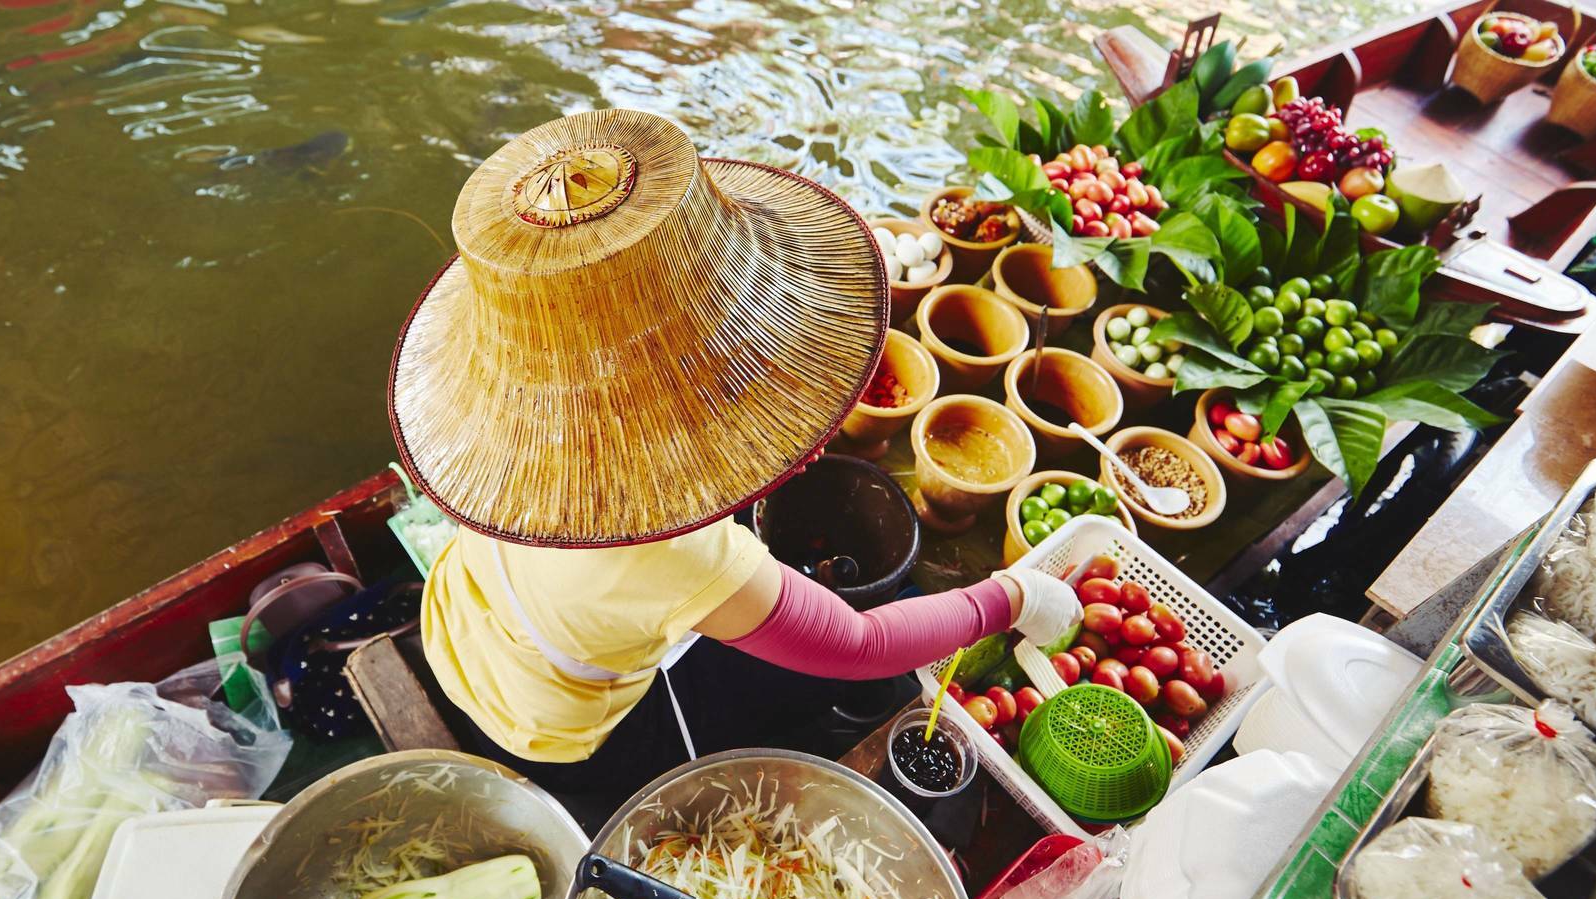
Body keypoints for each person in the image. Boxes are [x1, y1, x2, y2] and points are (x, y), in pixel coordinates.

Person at [387, 108, 1080, 802]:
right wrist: (1013, 596)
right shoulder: (669, 551)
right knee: (815, 680)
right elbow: (861, 644)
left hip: (460, 625)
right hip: (550, 732)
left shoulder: (518, 430)